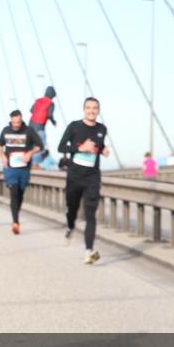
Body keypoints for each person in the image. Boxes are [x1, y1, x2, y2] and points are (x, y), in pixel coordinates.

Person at [58, 97, 110, 264]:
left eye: (95, 108)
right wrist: (79, 148)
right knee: (71, 208)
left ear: (98, 111)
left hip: (92, 177)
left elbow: (99, 145)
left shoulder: (102, 128)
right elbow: (61, 147)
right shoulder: (74, 126)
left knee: (90, 214)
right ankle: (70, 227)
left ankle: (89, 251)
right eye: (88, 108)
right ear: (83, 109)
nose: (91, 111)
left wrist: (103, 150)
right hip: (74, 175)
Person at [0, 110, 42, 235]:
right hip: (10, 168)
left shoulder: (29, 131)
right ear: (11, 120)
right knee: (14, 191)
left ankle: (16, 215)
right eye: (14, 122)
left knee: (20, 194)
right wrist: (2, 156)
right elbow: (0, 145)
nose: (16, 125)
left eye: (18, 122)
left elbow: (39, 146)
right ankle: (15, 222)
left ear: (21, 120)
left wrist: (30, 153)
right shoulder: (6, 130)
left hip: (24, 168)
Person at [29, 86, 57, 166]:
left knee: (30, 144)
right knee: (40, 145)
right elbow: (50, 115)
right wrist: (54, 122)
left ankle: (30, 162)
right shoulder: (51, 103)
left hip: (30, 126)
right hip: (40, 127)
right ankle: (35, 163)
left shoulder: (38, 100)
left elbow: (31, 110)